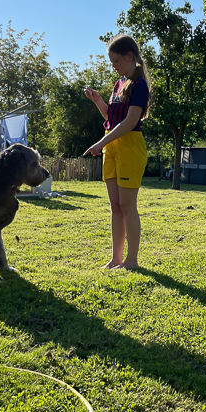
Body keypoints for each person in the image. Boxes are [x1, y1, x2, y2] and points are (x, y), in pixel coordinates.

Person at [83, 35, 150, 270]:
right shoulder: (118, 84)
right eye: (112, 62)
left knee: (127, 205)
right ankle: (116, 258)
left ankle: (132, 260)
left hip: (129, 145)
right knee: (115, 206)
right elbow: (112, 119)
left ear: (130, 56)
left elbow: (130, 122)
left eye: (116, 61)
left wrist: (100, 143)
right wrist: (99, 100)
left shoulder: (139, 85)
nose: (114, 66)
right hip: (111, 145)